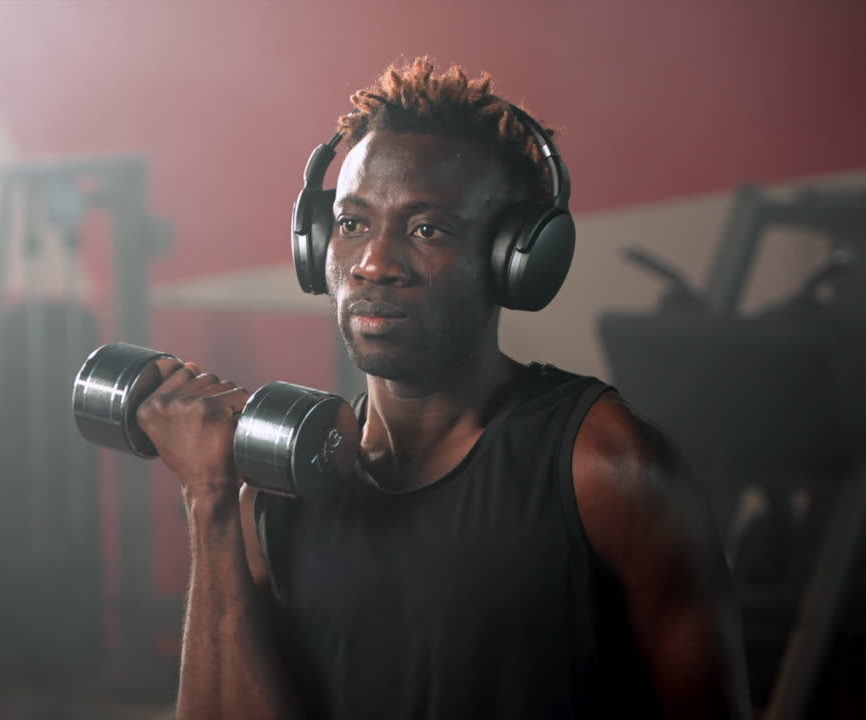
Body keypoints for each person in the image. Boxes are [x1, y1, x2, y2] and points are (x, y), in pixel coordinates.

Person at [136, 57, 752, 719]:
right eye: (351, 224)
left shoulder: (608, 471)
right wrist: (210, 499)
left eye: (427, 229)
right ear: (316, 245)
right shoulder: (280, 491)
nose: (374, 263)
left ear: (515, 260)